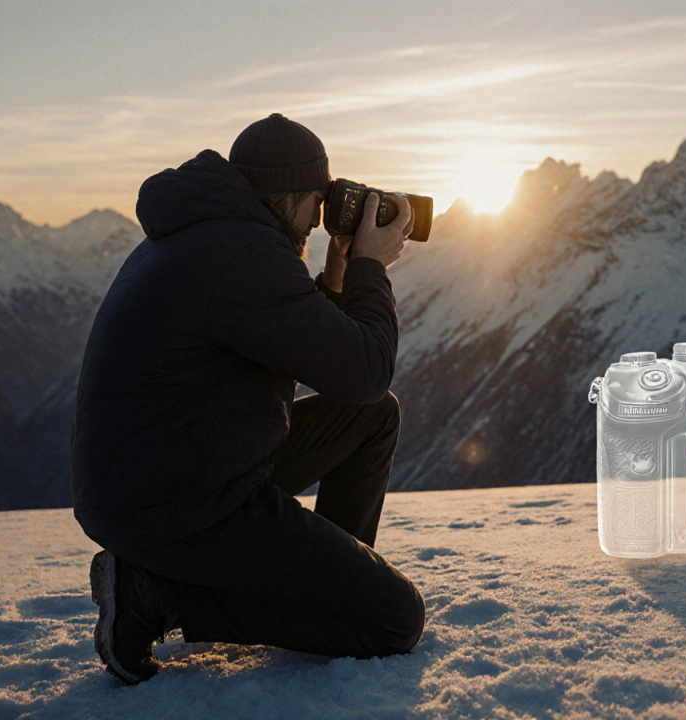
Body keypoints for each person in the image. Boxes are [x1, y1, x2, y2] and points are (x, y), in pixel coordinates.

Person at [70, 113, 424, 685]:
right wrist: (367, 267)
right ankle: (158, 595)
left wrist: (333, 284)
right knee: (394, 619)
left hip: (176, 467)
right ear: (289, 196)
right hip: (179, 503)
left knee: (371, 417)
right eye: (319, 200)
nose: (320, 218)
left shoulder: (211, 234)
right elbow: (365, 369)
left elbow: (295, 352)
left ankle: (327, 585)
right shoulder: (243, 253)